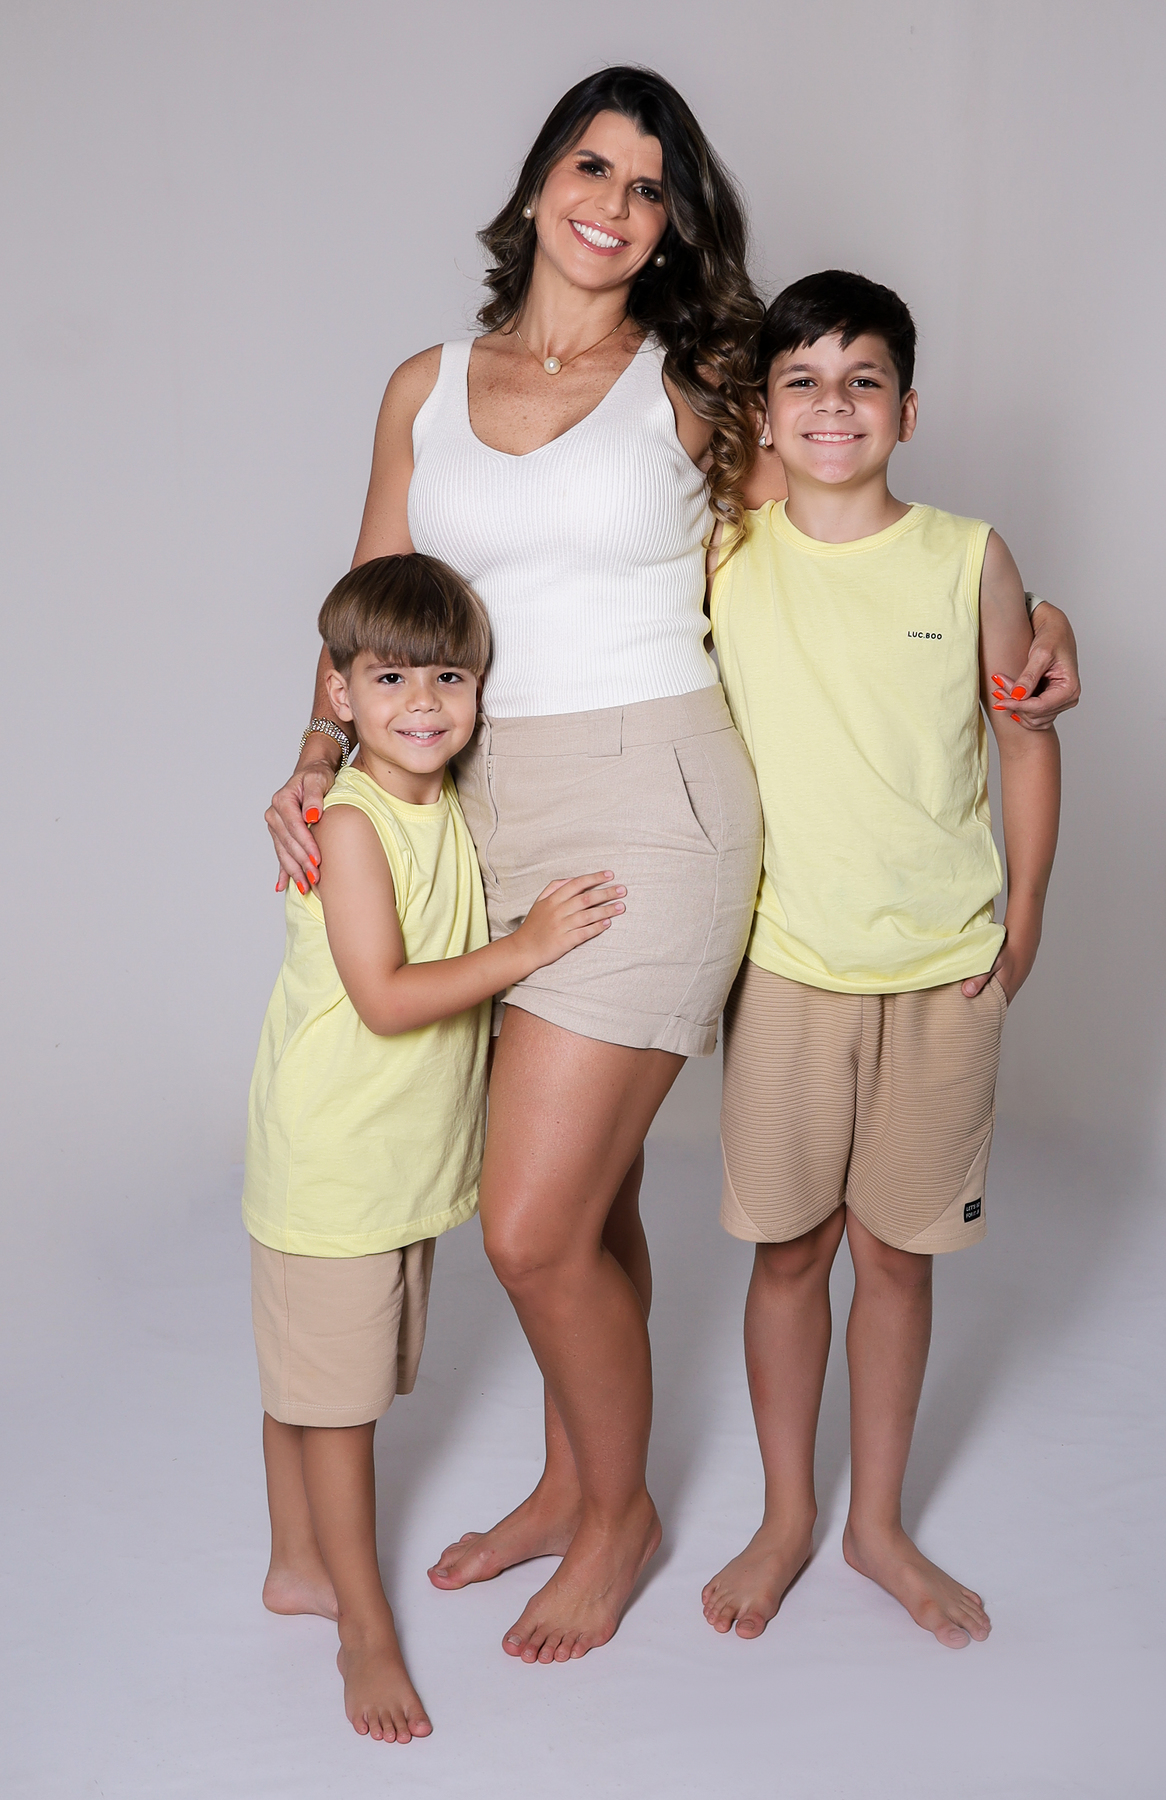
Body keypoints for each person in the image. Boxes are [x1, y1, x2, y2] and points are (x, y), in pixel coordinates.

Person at [264, 69, 1082, 1666]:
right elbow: (372, 596)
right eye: (594, 166)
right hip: (471, 812)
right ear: (539, 182)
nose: (616, 205)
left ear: (670, 227)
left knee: (527, 1223)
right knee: (599, 1197)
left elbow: (856, 516)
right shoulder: (425, 385)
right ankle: (572, 1480)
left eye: (650, 188)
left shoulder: (695, 383)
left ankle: (620, 1513)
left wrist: (1039, 618)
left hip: (655, 809)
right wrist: (314, 754)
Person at [702, 269, 1062, 1649]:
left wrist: (1025, 921)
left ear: (907, 410)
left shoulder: (971, 557)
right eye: (801, 381)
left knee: (896, 1260)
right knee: (789, 1253)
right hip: (787, 967)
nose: (833, 406)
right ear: (763, 411)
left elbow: (1026, 735)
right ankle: (788, 1514)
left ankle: (879, 1524)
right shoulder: (727, 546)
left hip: (941, 973)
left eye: (864, 381)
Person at [244, 552, 626, 1740]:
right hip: (335, 1161)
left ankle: (296, 1563)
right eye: (391, 677)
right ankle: (361, 1626)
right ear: (339, 693)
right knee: (341, 1408)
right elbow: (387, 996)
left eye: (448, 678)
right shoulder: (353, 825)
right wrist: (530, 948)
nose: (423, 702)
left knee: (318, 1381)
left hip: (393, 1167)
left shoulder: (440, 801)